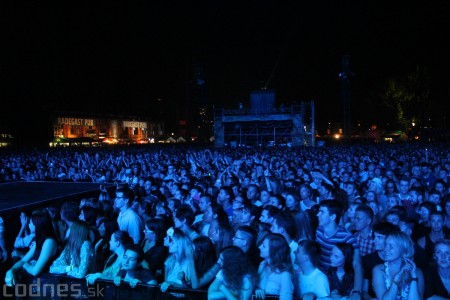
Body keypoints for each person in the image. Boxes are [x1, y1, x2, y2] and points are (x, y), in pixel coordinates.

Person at [5, 210, 58, 286]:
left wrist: (24, 264)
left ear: (37, 225)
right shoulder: (40, 241)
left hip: (47, 285)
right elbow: (23, 260)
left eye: (30, 222)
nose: (28, 224)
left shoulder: (49, 242)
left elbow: (35, 271)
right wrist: (11, 270)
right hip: (40, 284)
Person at [372, 231, 425, 300]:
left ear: (402, 249)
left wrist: (413, 277)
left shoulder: (417, 272)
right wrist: (396, 279)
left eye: (391, 246)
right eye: (385, 245)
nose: (385, 249)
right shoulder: (379, 270)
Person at [255, 233, 294, 300]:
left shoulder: (285, 275)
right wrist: (257, 290)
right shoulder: (262, 264)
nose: (259, 247)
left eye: (264, 246)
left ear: (273, 251)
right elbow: (256, 286)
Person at [160, 227, 198, 292]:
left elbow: (189, 289)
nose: (170, 244)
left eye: (172, 241)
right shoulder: (169, 261)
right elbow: (165, 284)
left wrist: (172, 284)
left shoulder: (188, 263)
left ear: (179, 244)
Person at [141, 218, 169, 282]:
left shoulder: (161, 249)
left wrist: (139, 257)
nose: (143, 231)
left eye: (146, 230)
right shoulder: (145, 240)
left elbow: (151, 268)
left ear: (154, 233)